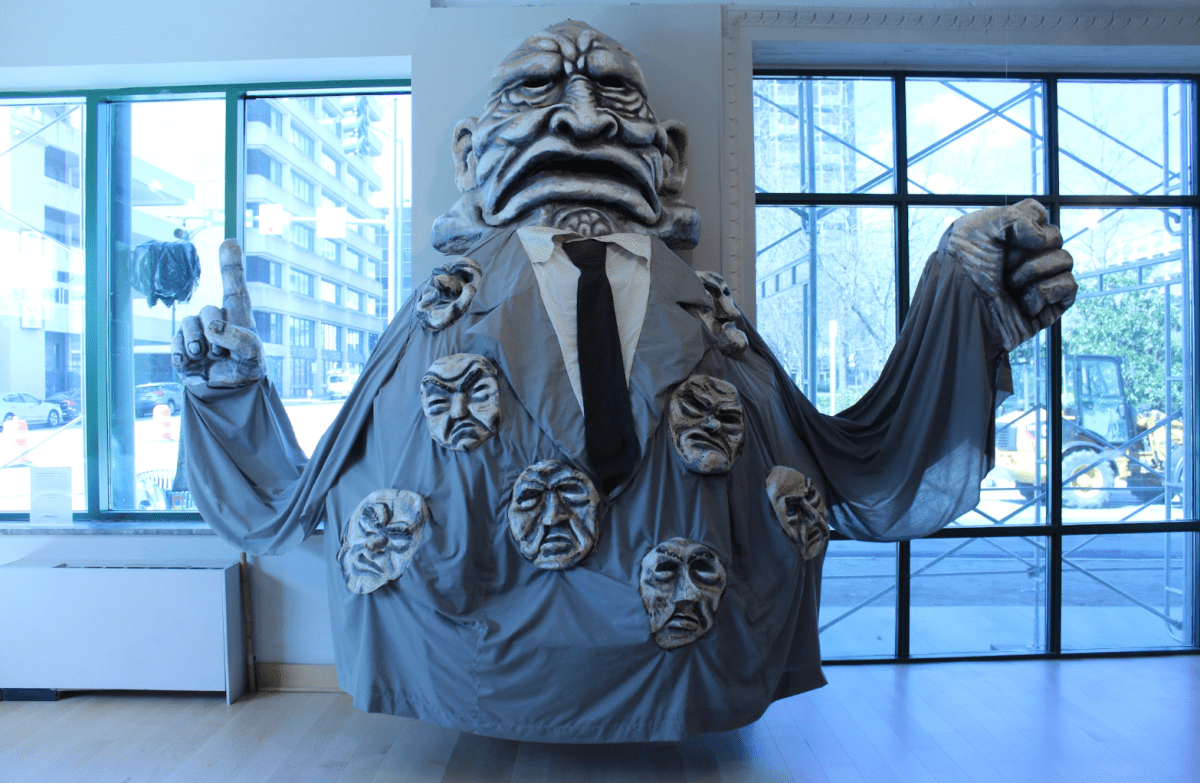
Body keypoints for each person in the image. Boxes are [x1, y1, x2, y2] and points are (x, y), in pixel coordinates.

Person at [173, 21, 1075, 742]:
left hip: (691, 653)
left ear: (667, 154)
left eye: (613, 93)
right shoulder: (431, 321)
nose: (582, 121)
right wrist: (229, 394)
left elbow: (850, 460)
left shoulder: (715, 321)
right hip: (479, 666)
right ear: (467, 151)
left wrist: (962, 300)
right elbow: (311, 488)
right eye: (535, 92)